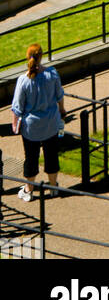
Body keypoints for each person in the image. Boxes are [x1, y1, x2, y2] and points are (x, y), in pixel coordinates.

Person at [11, 43, 69, 201]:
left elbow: (17, 107)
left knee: (31, 157)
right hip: (51, 122)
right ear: (41, 56)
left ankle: (29, 189)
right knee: (51, 154)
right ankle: (53, 186)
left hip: (31, 127)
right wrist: (62, 111)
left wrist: (15, 126)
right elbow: (59, 95)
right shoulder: (52, 74)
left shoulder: (23, 80)